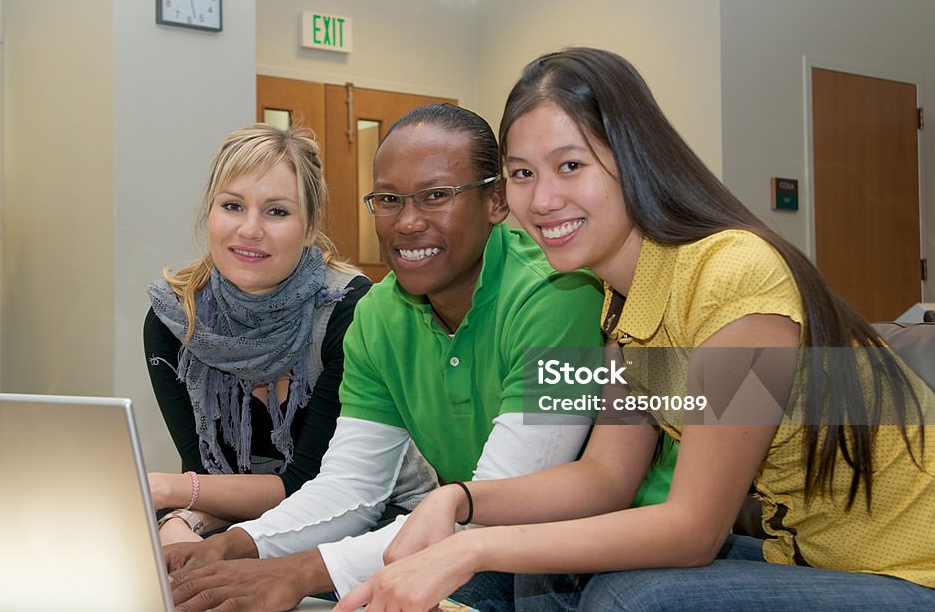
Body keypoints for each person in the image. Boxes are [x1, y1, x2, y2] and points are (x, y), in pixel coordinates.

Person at [339, 49, 935, 612]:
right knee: (537, 571)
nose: (542, 200)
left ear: (634, 157)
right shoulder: (622, 300)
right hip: (815, 561)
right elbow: (606, 477)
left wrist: (472, 543)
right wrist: (459, 501)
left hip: (912, 574)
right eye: (522, 173)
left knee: (631, 599)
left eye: (570, 165)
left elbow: (694, 530)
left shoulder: (730, 275)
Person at [166, 103, 674, 612]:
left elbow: (504, 503)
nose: (408, 222)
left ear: (496, 201)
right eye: (388, 199)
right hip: (483, 534)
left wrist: (297, 572)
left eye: (436, 196)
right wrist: (239, 546)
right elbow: (352, 487)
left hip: (561, 547)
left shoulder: (559, 290)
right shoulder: (379, 313)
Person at [145, 123, 374, 544]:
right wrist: (180, 524)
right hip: (236, 530)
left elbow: (310, 482)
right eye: (232, 205)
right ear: (209, 212)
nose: (250, 229)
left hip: (357, 534)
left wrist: (167, 492)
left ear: (309, 228)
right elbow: (209, 478)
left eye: (277, 211)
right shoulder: (177, 319)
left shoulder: (350, 310)